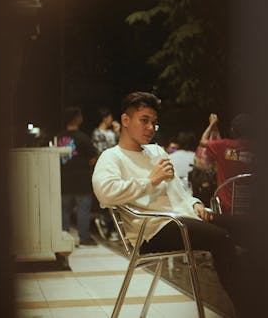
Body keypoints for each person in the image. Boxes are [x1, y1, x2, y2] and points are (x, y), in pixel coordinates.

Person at [92, 92, 248, 315]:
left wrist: (194, 204)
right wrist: (149, 180)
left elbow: (178, 190)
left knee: (244, 227)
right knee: (221, 239)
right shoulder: (112, 156)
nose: (150, 128)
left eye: (153, 123)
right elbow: (105, 193)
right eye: (144, 120)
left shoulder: (156, 151)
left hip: (180, 219)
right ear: (125, 121)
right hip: (151, 230)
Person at [58, 106, 98, 246]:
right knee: (83, 210)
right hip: (81, 180)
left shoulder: (59, 137)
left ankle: (63, 238)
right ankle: (84, 238)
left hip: (63, 179)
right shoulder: (83, 137)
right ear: (78, 118)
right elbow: (93, 158)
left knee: (64, 210)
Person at [199, 113, 254, 213]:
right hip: (253, 207)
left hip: (226, 209)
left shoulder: (225, 146)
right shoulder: (258, 149)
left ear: (233, 130)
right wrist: (216, 128)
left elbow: (203, 141)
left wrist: (212, 124)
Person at [91, 107, 121, 241]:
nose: (111, 120)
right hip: (105, 167)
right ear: (105, 118)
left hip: (116, 167)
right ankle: (106, 223)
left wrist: (118, 132)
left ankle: (108, 224)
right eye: (110, 117)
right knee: (107, 196)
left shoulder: (112, 133)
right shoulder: (97, 133)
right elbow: (99, 151)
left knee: (115, 198)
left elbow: (121, 145)